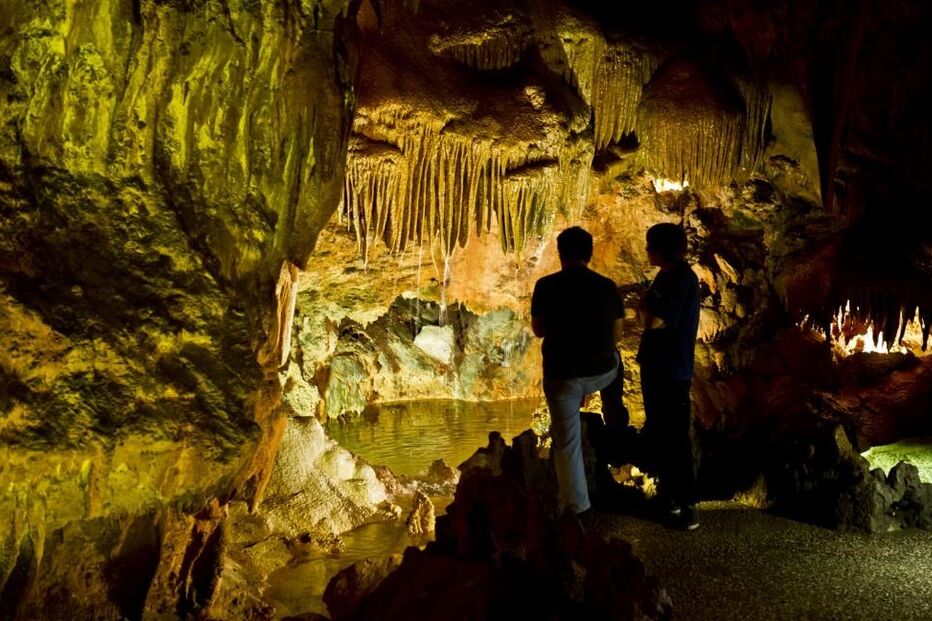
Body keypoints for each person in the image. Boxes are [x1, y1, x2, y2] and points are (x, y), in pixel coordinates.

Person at [531, 226, 626, 519]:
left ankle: (578, 509)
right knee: (617, 361)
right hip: (601, 373)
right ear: (589, 253)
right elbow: (618, 335)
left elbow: (538, 330)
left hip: (563, 377)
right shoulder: (607, 286)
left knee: (567, 443)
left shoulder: (546, 286)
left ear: (560, 255)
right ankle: (616, 424)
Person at [637, 223, 701, 530]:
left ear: (663, 248)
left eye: (650, 245)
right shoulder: (665, 276)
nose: (647, 250)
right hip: (659, 365)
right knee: (662, 432)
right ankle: (669, 497)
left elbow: (653, 319)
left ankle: (682, 504)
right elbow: (646, 317)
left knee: (674, 435)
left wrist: (644, 310)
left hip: (671, 368)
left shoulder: (681, 280)